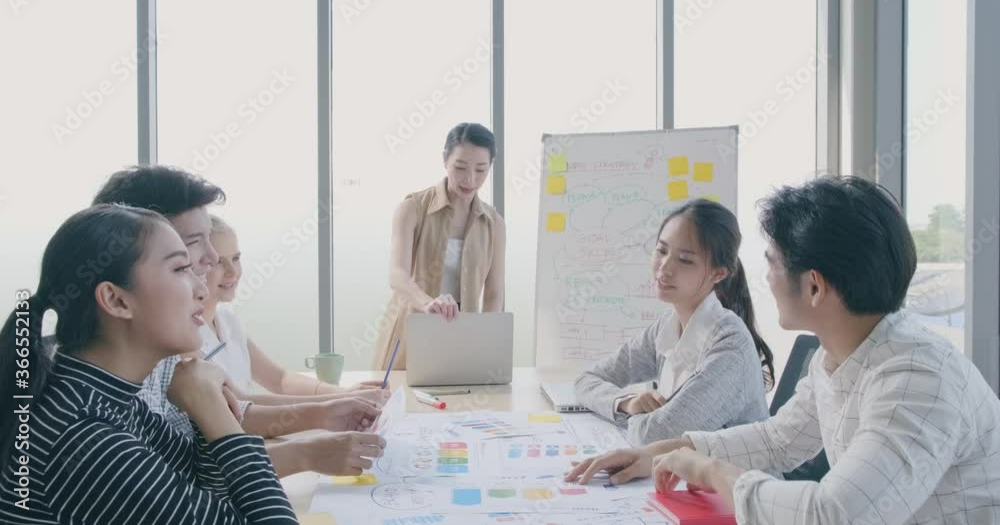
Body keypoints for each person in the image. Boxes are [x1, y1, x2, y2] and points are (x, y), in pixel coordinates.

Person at [566, 177, 1000, 525]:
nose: (766, 278)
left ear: (814, 286)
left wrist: (710, 471)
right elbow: (778, 439)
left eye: (772, 263)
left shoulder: (918, 379)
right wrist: (656, 454)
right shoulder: (838, 356)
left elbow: (832, 515)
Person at [0, 205, 299, 524]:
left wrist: (206, 407)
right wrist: (213, 409)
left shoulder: (107, 398)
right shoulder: (85, 436)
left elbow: (201, 486)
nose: (201, 289)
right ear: (116, 300)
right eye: (180, 268)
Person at [93, 165, 386, 477]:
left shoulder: (160, 360)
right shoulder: (97, 413)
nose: (210, 259)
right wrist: (305, 451)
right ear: (117, 297)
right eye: (187, 251)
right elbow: (181, 483)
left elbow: (193, 463)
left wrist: (325, 417)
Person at [575, 199, 774, 445]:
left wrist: (641, 418)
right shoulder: (667, 326)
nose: (665, 268)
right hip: (678, 466)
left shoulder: (729, 345)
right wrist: (628, 403)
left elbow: (657, 435)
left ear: (718, 273)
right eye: (662, 250)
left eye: (685, 260)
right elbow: (586, 381)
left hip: (731, 471)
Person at [202, 214, 386, 400]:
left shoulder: (227, 321)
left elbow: (280, 380)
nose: (232, 271)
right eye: (218, 262)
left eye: (236, 258)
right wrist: (339, 402)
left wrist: (345, 393)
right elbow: (240, 404)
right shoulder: (190, 339)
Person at [374, 122, 507, 370]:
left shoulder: (494, 224)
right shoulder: (412, 208)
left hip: (461, 337)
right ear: (445, 159)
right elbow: (397, 274)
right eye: (460, 167)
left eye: (481, 170)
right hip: (410, 330)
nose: (470, 179)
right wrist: (427, 302)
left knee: (460, 392)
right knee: (401, 393)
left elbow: (494, 293)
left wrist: (487, 343)